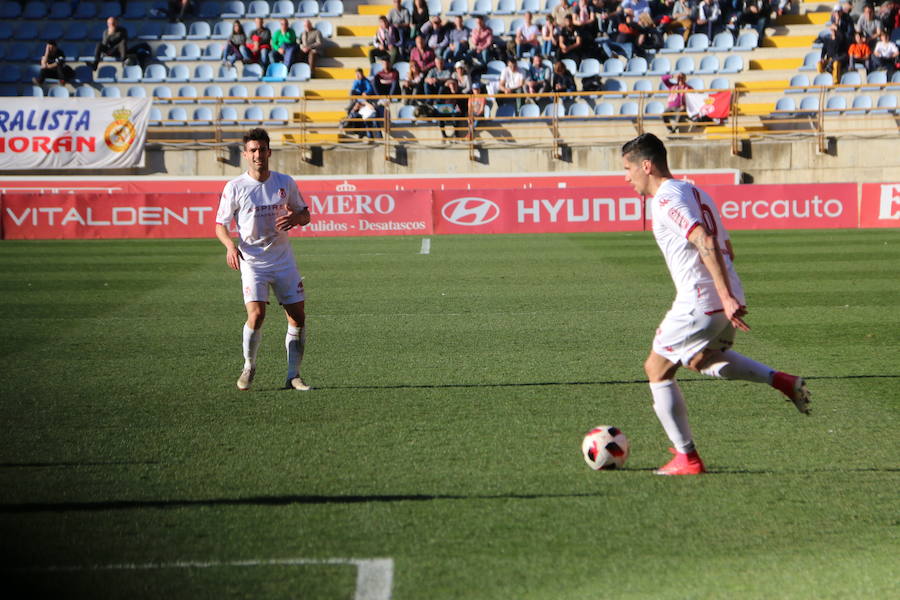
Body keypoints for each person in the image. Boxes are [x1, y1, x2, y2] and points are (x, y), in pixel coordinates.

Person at [619, 133, 812, 476]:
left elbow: (702, 238)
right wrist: (730, 294)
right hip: (724, 296)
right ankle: (780, 380)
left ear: (646, 166)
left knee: (656, 369)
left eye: (628, 169)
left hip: (702, 299)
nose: (626, 177)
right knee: (699, 359)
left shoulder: (665, 199)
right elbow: (728, 247)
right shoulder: (696, 191)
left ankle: (686, 458)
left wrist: (722, 295)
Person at [215, 128, 312, 392]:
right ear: (245, 155)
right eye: (253, 150)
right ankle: (249, 365)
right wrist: (229, 246)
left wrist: (295, 218)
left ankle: (293, 376)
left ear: (269, 152)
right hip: (252, 261)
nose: (258, 154)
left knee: (297, 317)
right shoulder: (235, 187)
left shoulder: (284, 182)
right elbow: (220, 225)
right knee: (256, 316)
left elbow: (305, 214)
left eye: (262, 149)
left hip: (283, 260)